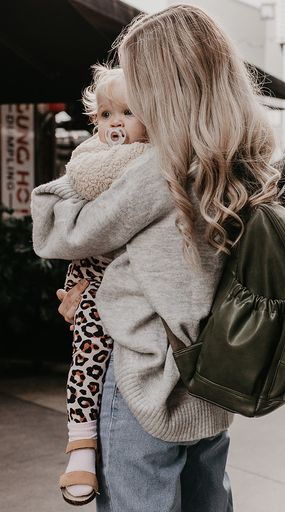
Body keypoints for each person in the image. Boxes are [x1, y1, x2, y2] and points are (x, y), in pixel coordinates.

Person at [31, 5, 281, 511]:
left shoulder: (155, 171)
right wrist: (98, 290)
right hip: (214, 384)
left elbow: (54, 229)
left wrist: (90, 157)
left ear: (162, 87)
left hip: (147, 386)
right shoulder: (245, 158)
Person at [54, 64, 150, 505]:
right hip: (91, 274)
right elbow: (79, 187)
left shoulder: (157, 155)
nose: (116, 123)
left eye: (128, 112)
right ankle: (80, 441)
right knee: (88, 347)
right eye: (108, 113)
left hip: (123, 282)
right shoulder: (91, 156)